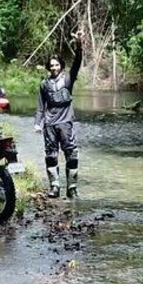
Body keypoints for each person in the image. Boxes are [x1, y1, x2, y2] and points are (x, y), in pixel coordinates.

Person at [35, 31, 84, 199]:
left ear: (62, 66)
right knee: (50, 154)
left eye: (57, 65)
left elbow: (77, 62)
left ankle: (72, 187)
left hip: (66, 123)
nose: (54, 68)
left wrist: (79, 44)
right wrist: (37, 123)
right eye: (51, 66)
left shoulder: (69, 79)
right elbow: (41, 106)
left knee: (71, 153)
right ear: (48, 68)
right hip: (49, 124)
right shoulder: (43, 84)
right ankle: (54, 186)